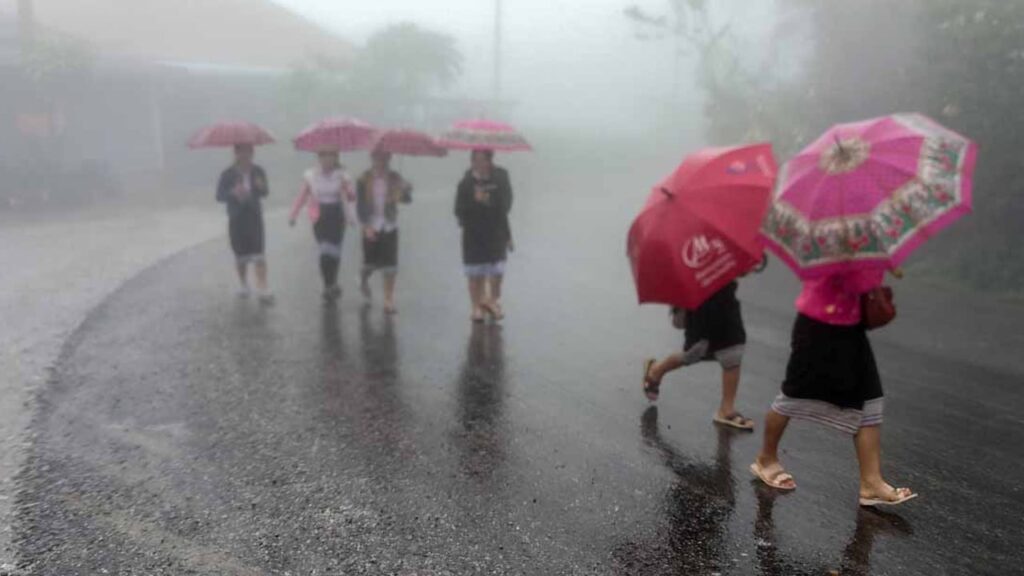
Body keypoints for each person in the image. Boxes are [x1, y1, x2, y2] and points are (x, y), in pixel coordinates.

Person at [750, 269, 917, 508]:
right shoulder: (822, 242)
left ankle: (871, 483)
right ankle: (766, 459)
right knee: (793, 396)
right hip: (817, 327)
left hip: (852, 329)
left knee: (870, 399)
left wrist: (877, 266)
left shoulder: (859, 243)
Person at [641, 281, 755, 430]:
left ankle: (726, 409)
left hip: (727, 306)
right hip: (703, 309)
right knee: (693, 353)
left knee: (734, 352)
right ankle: (656, 370)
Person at [289, 149, 356, 301]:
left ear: (335, 158)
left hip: (337, 216)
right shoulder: (311, 176)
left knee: (334, 253)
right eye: (323, 156)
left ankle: (333, 281)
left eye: (330, 155)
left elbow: (351, 196)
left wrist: (347, 188)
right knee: (325, 252)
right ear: (319, 158)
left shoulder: (342, 175)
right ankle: (327, 285)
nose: (327, 159)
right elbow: (302, 196)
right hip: (320, 217)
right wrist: (293, 215)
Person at [454, 150, 513, 323]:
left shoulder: (500, 179)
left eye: (482, 160)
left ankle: (492, 300)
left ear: (490, 161)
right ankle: (476, 307)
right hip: (473, 233)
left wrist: (487, 201)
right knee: (476, 274)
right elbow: (458, 211)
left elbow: (506, 206)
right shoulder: (465, 183)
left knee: (497, 272)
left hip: (496, 231)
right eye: (475, 161)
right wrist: (474, 202)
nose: (479, 165)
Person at [356, 150, 412, 314]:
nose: (381, 161)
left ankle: (388, 300)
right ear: (372, 158)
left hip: (389, 224)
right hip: (371, 224)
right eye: (377, 157)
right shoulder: (363, 179)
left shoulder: (395, 178)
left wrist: (405, 191)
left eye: (384, 157)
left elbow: (407, 200)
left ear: (389, 158)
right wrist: (366, 226)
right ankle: (363, 279)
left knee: (390, 266)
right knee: (370, 264)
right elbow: (359, 206)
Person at [216, 144, 272, 303]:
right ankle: (244, 284)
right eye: (241, 151)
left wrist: (261, 187)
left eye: (248, 151)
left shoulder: (258, 171)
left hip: (254, 216)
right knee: (240, 254)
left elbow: (265, 192)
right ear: (236, 153)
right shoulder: (227, 174)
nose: (245, 155)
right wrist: (232, 192)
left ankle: (262, 286)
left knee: (258, 252)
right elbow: (219, 195)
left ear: (252, 153)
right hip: (236, 218)